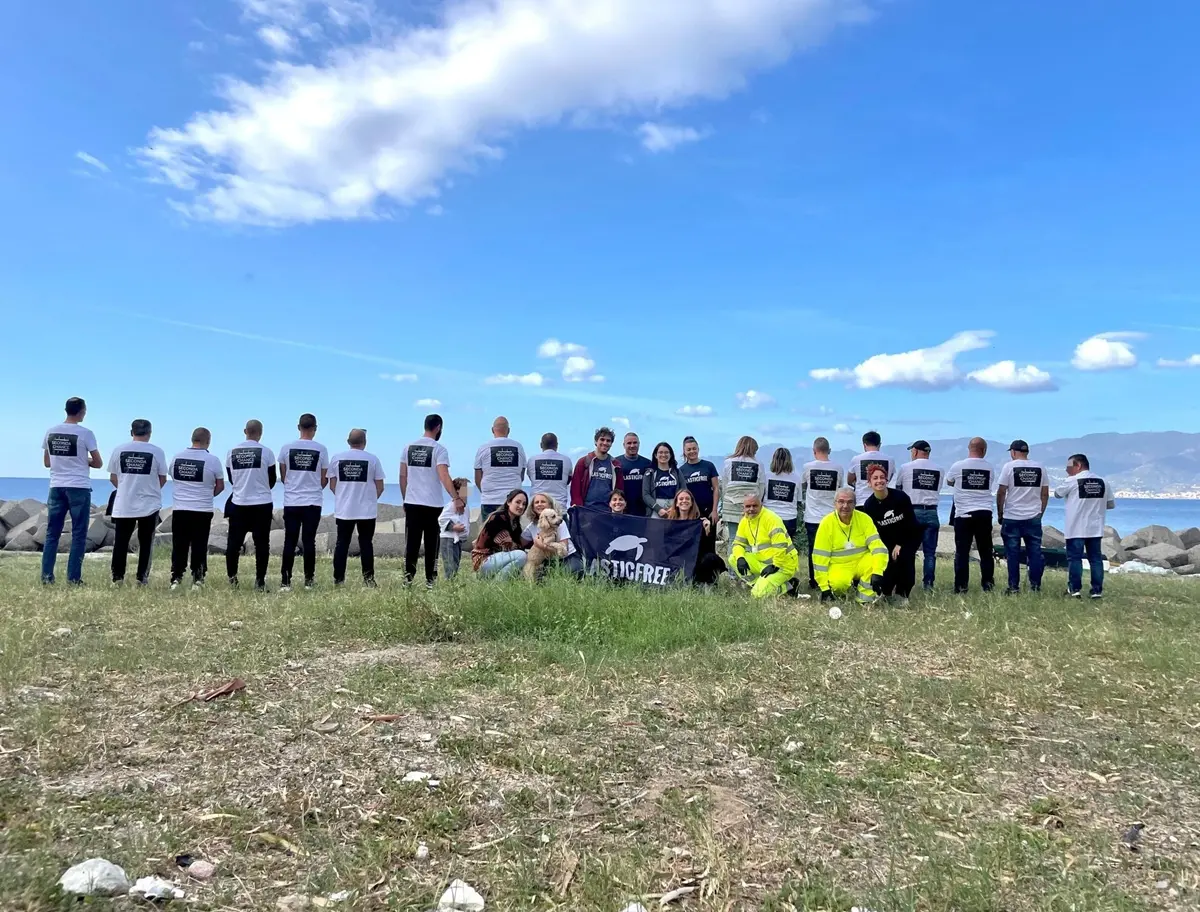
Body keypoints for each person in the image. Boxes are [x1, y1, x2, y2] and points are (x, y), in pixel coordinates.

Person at [40, 396, 102, 585]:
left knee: (52, 534)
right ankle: (74, 578)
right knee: (78, 534)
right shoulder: (86, 433)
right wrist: (85, 461)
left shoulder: (51, 432)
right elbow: (98, 462)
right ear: (82, 411)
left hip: (56, 486)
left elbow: (47, 462)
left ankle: (47, 577)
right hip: (78, 487)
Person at [401, 413, 465, 588]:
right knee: (432, 545)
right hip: (432, 504)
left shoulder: (408, 447)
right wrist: (456, 497)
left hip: (412, 503)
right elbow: (444, 475)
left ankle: (408, 580)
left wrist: (405, 499)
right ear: (438, 428)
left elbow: (403, 476)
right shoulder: (439, 449)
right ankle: (430, 581)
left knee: (411, 544)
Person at [107, 418, 168, 586]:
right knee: (146, 543)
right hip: (149, 504)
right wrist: (150, 490)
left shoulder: (119, 450)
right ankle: (142, 578)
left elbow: (113, 477)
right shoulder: (157, 452)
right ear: (149, 433)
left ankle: (117, 578)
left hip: (124, 503)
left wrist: (127, 489)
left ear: (131, 432)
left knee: (120, 542)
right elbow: (162, 478)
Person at [277, 413, 329, 591]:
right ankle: (308, 581)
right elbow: (324, 478)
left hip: (292, 500)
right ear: (315, 429)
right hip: (313, 501)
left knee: (289, 541)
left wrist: (293, 485)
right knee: (309, 541)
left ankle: (285, 582)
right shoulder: (321, 449)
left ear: (298, 427)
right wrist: (313, 487)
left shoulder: (286, 448)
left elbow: (283, 475)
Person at [811, 487, 889, 604]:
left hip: (861, 561)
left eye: (849, 502)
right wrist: (824, 588)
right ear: (835, 504)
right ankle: (839, 593)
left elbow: (878, 547)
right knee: (838, 585)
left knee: (875, 562)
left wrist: (878, 572)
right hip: (839, 564)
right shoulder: (826, 523)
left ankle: (865, 599)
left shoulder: (864, 519)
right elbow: (820, 558)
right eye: (841, 501)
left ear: (855, 504)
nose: (845, 506)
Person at [168, 427, 224, 590]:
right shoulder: (212, 460)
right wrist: (207, 495)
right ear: (208, 441)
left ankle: (176, 578)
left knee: (179, 544)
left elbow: (174, 477)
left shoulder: (177, 457)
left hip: (180, 508)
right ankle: (198, 578)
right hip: (202, 509)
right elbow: (220, 485)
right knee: (200, 544)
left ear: (192, 439)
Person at [327, 429, 384, 587]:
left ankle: (338, 580)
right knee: (366, 544)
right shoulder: (372, 460)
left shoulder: (337, 458)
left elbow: (333, 485)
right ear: (364, 442)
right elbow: (380, 486)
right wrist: (370, 499)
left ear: (348, 441)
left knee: (342, 544)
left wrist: (343, 498)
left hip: (344, 510)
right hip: (367, 511)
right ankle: (369, 580)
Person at [225, 419, 277, 591]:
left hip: (239, 501)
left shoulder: (231, 452)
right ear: (260, 433)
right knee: (262, 544)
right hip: (262, 503)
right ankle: (260, 581)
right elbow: (272, 479)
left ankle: (233, 580)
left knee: (233, 544)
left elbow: (231, 478)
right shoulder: (267, 452)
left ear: (245, 431)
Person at [1055, 453, 1115, 599]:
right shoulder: (1103, 482)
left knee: (1074, 559)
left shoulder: (1072, 481)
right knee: (1095, 559)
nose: (1067, 470)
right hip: (1095, 527)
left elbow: (1057, 493)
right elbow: (1110, 504)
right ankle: (1096, 591)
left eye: (1069, 467)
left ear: (1078, 465)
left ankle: (1074, 589)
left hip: (1076, 527)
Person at [858, 464, 920, 605]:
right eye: (875, 478)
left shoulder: (900, 497)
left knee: (903, 557)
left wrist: (900, 543)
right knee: (887, 563)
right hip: (887, 539)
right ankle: (886, 593)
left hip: (909, 535)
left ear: (886, 480)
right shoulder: (869, 505)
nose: (879, 481)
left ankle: (902, 595)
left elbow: (910, 523)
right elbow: (875, 531)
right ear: (869, 483)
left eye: (882, 478)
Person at [996, 439, 1049, 594]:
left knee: (1012, 554)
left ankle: (1013, 587)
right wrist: (1040, 513)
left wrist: (1000, 513)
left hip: (1012, 516)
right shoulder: (1040, 468)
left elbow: (1001, 491)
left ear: (1013, 452)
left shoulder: (1009, 467)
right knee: (1035, 553)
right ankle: (1035, 586)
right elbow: (1045, 493)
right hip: (1033, 517)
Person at [946, 437, 997, 594]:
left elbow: (949, 481)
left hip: (964, 514)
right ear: (984, 451)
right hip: (984, 513)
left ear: (969, 448)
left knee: (962, 552)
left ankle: (961, 587)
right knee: (985, 551)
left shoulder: (958, 466)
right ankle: (987, 585)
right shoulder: (990, 468)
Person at [894, 440, 943, 591]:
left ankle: (907, 582)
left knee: (908, 551)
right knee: (930, 553)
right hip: (931, 511)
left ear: (915, 451)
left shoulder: (905, 468)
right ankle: (928, 585)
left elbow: (898, 490)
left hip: (912, 512)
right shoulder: (939, 469)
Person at [729, 494, 798, 598]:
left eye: (755, 506)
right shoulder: (745, 521)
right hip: (763, 562)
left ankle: (789, 587)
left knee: (757, 595)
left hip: (782, 564)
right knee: (733, 558)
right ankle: (756, 584)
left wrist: (776, 565)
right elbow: (738, 543)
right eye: (748, 506)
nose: (751, 509)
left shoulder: (771, 518)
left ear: (761, 505)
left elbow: (780, 545)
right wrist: (740, 557)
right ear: (743, 507)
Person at [801, 437, 844, 590]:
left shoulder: (807, 467)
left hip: (812, 516)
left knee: (814, 550)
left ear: (814, 452)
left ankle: (814, 581)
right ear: (829, 451)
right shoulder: (838, 468)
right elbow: (840, 489)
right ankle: (830, 578)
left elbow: (803, 486)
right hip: (832, 516)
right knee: (832, 550)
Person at [665, 488, 725, 586]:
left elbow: (707, 549)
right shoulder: (670, 523)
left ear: (692, 502)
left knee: (710, 558)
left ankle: (706, 584)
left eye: (687, 499)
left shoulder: (699, 521)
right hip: (677, 558)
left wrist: (707, 532)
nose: (684, 501)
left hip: (694, 559)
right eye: (681, 499)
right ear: (676, 503)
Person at [474, 416, 526, 519]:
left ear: (492, 430)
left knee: (489, 533)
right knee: (511, 533)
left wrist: (487, 491)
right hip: (512, 501)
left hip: (489, 500)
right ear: (509, 430)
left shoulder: (483, 448)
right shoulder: (518, 447)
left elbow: (478, 477)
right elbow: (521, 475)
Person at [522, 493, 584, 578]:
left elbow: (564, 551)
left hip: (568, 556)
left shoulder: (559, 523)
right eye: (536, 502)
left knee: (574, 570)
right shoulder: (532, 526)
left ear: (550, 505)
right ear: (533, 507)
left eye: (543, 501)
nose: (539, 504)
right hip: (549, 559)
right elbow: (521, 542)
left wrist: (542, 546)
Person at [473, 489, 529, 579]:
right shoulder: (498, 518)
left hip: (497, 560)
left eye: (524, 504)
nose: (521, 506)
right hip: (483, 560)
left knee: (523, 556)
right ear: (508, 502)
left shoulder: (515, 524)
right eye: (518, 502)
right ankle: (497, 584)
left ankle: (495, 582)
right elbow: (508, 545)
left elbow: (517, 545)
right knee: (522, 555)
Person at [720, 436, 764, 547]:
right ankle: (748, 564)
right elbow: (761, 487)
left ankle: (732, 564)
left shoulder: (728, 462)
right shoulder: (758, 464)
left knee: (733, 539)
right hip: (751, 506)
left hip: (731, 504)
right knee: (750, 539)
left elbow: (724, 486)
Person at [570, 427, 623, 507]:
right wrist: (578, 508)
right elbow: (575, 489)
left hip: (608, 511)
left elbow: (620, 491)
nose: (605, 443)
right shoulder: (583, 462)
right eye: (602, 439)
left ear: (611, 444)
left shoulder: (616, 465)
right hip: (587, 510)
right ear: (596, 441)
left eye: (608, 441)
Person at [764, 447, 804, 544]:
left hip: (769, 517)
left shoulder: (766, 477)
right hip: (789, 519)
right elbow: (799, 500)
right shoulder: (796, 478)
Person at [847, 430, 895, 505]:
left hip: (862, 502)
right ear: (879, 444)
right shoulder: (890, 460)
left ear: (864, 445)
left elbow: (849, 481)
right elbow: (888, 479)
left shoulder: (856, 459)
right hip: (882, 502)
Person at [680, 436, 720, 527]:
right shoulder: (681, 471)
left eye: (694, 448)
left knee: (708, 540)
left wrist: (714, 510)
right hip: (690, 512)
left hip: (709, 511)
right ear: (684, 451)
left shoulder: (709, 466)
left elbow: (716, 488)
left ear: (698, 449)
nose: (692, 451)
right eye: (688, 449)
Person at [643, 441, 687, 518]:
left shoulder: (676, 471)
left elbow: (684, 490)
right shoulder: (649, 473)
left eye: (666, 452)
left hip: (675, 508)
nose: (663, 455)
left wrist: (674, 508)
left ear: (670, 455)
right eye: (660, 452)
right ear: (656, 455)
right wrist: (658, 509)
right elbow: (646, 494)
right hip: (655, 510)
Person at [438, 477, 471, 580]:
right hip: (449, 539)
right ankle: (450, 581)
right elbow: (441, 519)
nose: (467, 492)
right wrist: (453, 527)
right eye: (465, 489)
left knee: (455, 562)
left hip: (457, 540)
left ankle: (452, 579)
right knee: (450, 563)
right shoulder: (452, 505)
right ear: (457, 491)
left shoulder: (466, 507)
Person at [527, 433, 572, 508]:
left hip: (538, 508)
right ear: (557, 445)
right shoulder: (566, 460)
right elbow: (567, 481)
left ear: (541, 445)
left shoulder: (532, 460)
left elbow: (532, 479)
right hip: (559, 507)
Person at [614, 432, 652, 517]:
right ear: (624, 445)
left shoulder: (648, 464)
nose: (632, 445)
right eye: (629, 443)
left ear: (639, 444)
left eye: (635, 443)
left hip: (643, 511)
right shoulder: (616, 463)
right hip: (621, 510)